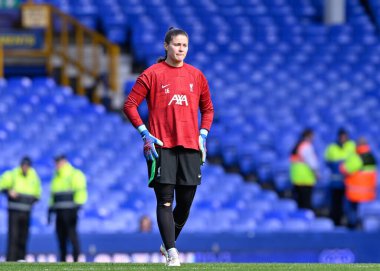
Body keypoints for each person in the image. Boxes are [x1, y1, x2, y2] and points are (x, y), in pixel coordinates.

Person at [123, 27, 214, 267]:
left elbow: (208, 109)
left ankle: (167, 242)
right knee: (165, 200)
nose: (181, 49)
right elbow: (130, 105)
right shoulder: (152, 74)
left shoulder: (196, 76)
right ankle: (172, 252)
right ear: (166, 46)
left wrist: (202, 135)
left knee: (185, 203)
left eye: (184, 45)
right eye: (176, 45)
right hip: (161, 146)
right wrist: (145, 134)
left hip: (190, 147)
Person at [0, 156, 41, 261]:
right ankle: (11, 261)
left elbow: (37, 194)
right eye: (24, 165)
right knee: (13, 237)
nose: (25, 168)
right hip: (14, 211)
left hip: (26, 212)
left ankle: (21, 261)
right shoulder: (12, 174)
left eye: (27, 165)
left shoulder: (33, 176)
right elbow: (1, 185)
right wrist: (8, 191)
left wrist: (32, 200)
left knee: (24, 237)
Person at [48, 155, 87, 262]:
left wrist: (77, 207)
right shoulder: (56, 176)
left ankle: (76, 261)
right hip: (59, 213)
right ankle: (63, 261)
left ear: (64, 162)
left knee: (72, 236)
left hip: (70, 212)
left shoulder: (75, 174)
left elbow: (80, 191)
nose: (56, 165)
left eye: (58, 162)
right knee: (61, 238)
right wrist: (50, 209)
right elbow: (53, 195)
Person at [340, 137, 377, 229]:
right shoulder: (372, 157)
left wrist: (343, 164)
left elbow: (345, 169)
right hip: (368, 191)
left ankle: (353, 226)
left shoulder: (357, 158)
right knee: (363, 213)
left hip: (355, 191)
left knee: (352, 211)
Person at [324, 128, 356, 225]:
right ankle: (336, 221)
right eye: (341, 136)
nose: (342, 138)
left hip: (349, 181)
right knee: (336, 203)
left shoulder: (352, 146)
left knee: (348, 205)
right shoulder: (332, 147)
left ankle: (349, 222)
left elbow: (355, 161)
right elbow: (327, 161)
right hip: (336, 182)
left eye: (344, 136)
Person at [290, 128, 319, 210]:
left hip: (297, 178)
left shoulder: (297, 145)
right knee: (306, 204)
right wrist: (316, 173)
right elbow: (312, 162)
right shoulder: (306, 146)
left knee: (299, 203)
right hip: (305, 179)